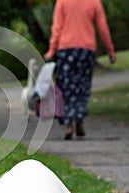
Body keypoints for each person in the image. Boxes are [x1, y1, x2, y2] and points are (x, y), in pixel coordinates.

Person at [44, 0, 116, 140]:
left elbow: (57, 27)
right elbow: (102, 27)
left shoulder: (62, 2)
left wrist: (51, 50)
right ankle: (79, 119)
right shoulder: (94, 2)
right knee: (82, 86)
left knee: (66, 86)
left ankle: (69, 123)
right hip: (86, 50)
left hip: (66, 49)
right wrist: (110, 51)